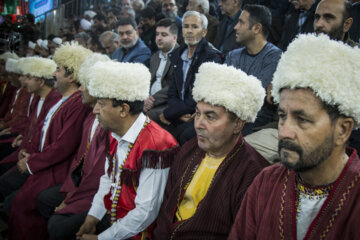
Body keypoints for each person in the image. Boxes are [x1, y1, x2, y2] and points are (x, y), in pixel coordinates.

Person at [228, 33, 360, 239]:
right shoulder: (266, 182)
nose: (284, 132)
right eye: (282, 116)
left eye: (302, 120)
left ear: (342, 130)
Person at [153, 62, 269, 239]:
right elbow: (165, 210)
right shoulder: (188, 150)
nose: (198, 124)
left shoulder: (253, 174)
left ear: (237, 124)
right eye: (197, 113)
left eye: (210, 116)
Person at [76, 61, 178, 240]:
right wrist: (93, 217)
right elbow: (108, 178)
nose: (95, 110)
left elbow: (147, 212)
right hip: (116, 219)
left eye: (100, 103)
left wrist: (101, 238)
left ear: (123, 109)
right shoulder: (114, 132)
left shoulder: (157, 144)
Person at [3, 42, 92, 240]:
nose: (53, 74)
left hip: (57, 168)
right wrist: (30, 152)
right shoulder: (63, 98)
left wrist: (32, 162)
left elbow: (64, 146)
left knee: (22, 203)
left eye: (58, 69)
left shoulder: (77, 103)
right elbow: (41, 132)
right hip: (46, 162)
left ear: (70, 76)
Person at [36, 53, 111, 240]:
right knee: (44, 199)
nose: (81, 89)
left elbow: (98, 176)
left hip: (95, 192)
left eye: (84, 84)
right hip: (80, 184)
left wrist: (70, 199)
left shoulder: (108, 123)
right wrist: (70, 193)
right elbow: (80, 159)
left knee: (57, 226)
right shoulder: (89, 117)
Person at [159, 11, 223, 144]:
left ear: (204, 32)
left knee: (183, 134)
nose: (189, 31)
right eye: (186, 26)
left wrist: (169, 114)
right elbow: (173, 91)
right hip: (180, 113)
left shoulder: (212, 57)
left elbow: (197, 96)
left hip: (199, 113)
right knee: (158, 130)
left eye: (194, 27)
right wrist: (177, 114)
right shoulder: (177, 54)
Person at [225, 4, 282, 136]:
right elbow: (222, 89)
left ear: (256, 28)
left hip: (256, 121)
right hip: (228, 116)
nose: (235, 27)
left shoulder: (275, 57)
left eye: (241, 22)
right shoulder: (233, 55)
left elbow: (255, 97)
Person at [0, 57, 61, 173]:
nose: (24, 81)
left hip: (37, 158)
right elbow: (30, 125)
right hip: (27, 149)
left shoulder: (54, 100)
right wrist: (23, 137)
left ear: (41, 81)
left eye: (28, 77)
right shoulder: (37, 98)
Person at [144, 19, 179, 123]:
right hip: (149, 100)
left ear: (174, 37)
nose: (159, 38)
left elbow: (174, 86)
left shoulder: (180, 56)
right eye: (157, 34)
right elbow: (147, 81)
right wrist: (145, 99)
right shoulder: (155, 56)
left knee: (145, 118)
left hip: (167, 102)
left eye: (164, 35)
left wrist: (152, 100)